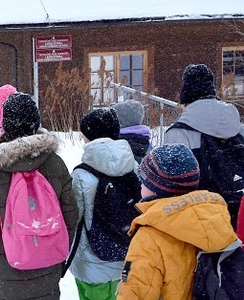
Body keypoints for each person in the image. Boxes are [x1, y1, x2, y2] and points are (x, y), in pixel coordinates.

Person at [0, 93, 78, 299]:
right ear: (36, 123)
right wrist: (60, 248)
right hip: (47, 263)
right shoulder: (54, 163)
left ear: (5, 125)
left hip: (6, 266)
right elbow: (70, 215)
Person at [116, 143, 239, 299]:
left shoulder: (150, 237)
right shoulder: (215, 216)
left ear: (157, 187)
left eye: (144, 179)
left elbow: (135, 293)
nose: (140, 184)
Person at [69, 108, 137, 300]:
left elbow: (73, 218)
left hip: (91, 264)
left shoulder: (81, 175)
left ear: (89, 137)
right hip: (127, 259)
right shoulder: (133, 167)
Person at [164, 63, 244, 223]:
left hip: (202, 220)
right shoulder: (239, 129)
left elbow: (175, 185)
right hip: (240, 214)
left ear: (185, 96)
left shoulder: (178, 133)